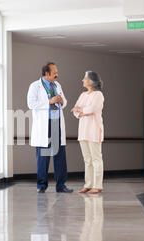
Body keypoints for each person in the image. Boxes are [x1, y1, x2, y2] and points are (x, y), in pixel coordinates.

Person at [27, 62, 73, 193]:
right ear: (46, 74)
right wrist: (49, 101)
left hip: (56, 123)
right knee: (43, 156)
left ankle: (61, 185)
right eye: (54, 73)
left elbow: (64, 102)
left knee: (60, 155)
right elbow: (31, 104)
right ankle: (41, 186)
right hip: (44, 124)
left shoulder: (57, 85)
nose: (57, 75)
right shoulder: (35, 86)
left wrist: (61, 101)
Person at [71, 71, 105, 195]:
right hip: (83, 130)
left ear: (91, 81)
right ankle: (88, 184)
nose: (82, 80)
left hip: (94, 130)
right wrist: (80, 111)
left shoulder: (98, 95)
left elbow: (93, 108)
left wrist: (81, 110)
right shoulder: (83, 95)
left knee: (96, 159)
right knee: (87, 159)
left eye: (84, 78)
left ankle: (97, 185)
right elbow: (75, 109)